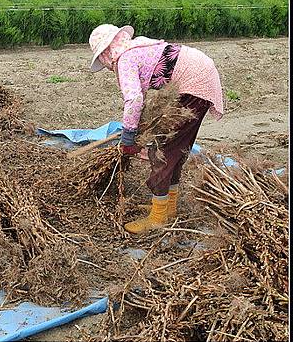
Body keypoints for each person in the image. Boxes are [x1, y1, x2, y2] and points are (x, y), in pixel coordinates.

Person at [87, 24, 224, 234]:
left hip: (195, 86)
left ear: (106, 53)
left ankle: (159, 217)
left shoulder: (125, 59)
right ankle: (168, 207)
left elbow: (133, 100)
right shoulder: (137, 47)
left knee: (161, 152)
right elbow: (143, 97)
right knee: (176, 150)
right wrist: (138, 127)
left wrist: (128, 137)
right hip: (200, 79)